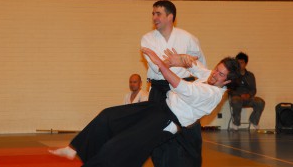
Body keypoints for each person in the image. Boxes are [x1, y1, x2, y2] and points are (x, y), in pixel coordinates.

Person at [49, 48, 240, 167]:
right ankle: (76, 148)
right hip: (158, 107)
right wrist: (182, 59)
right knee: (109, 116)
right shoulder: (211, 76)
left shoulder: (212, 95)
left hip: (167, 121)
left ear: (228, 81)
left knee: (119, 147)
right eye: (217, 69)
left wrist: (160, 64)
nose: (215, 74)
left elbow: (181, 86)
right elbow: (197, 66)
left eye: (221, 74)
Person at [141, 0, 206, 166]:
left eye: (158, 14)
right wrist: (179, 60)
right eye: (153, 13)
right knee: (158, 132)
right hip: (159, 89)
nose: (154, 17)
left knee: (189, 133)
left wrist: (177, 62)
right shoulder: (148, 39)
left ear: (170, 16)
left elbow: (200, 66)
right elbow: (156, 68)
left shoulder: (188, 38)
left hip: (185, 89)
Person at [229, 52, 265, 130]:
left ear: (246, 63)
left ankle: (254, 120)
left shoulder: (250, 75)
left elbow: (253, 89)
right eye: (238, 63)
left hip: (248, 98)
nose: (239, 65)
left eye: (241, 63)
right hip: (237, 97)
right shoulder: (233, 75)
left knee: (260, 102)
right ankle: (236, 123)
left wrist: (249, 95)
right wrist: (239, 95)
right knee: (236, 100)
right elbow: (230, 90)